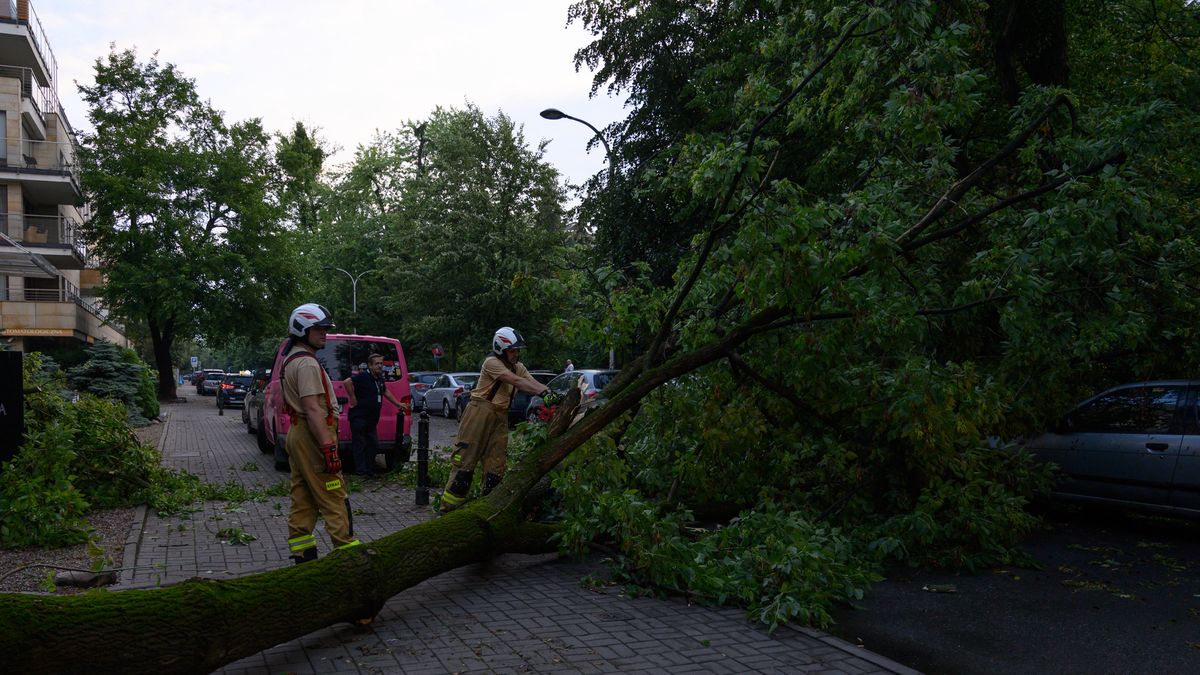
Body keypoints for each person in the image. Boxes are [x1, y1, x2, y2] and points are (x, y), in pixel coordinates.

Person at [441, 327, 556, 512]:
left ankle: (487, 509)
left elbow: (531, 381)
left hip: (501, 415)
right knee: (465, 461)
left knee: (496, 466)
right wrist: (542, 392)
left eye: (517, 350)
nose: (515, 354)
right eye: (512, 350)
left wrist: (551, 393)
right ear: (500, 348)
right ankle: (448, 509)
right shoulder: (491, 363)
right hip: (480, 412)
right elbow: (516, 381)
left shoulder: (518, 367)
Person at [280, 303, 359, 563]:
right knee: (333, 493)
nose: (324, 333)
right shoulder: (307, 364)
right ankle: (348, 553)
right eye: (319, 329)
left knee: (302, 496)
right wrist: (328, 446)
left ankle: (303, 555)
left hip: (299, 435)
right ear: (303, 329)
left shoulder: (292, 359)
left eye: (326, 328)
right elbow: (313, 409)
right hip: (314, 437)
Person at [342, 352, 409, 477]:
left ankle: (369, 469)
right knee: (360, 444)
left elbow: (385, 391)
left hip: (371, 419)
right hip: (359, 417)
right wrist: (352, 397)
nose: (380, 366)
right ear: (370, 366)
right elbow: (347, 382)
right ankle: (362, 471)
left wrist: (398, 403)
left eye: (381, 363)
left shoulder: (379, 378)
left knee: (373, 444)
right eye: (377, 364)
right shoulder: (363, 376)